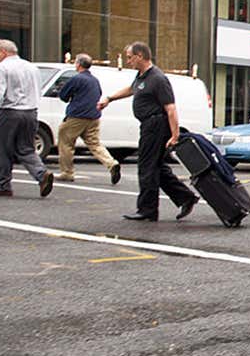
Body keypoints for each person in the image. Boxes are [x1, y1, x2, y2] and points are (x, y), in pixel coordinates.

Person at [98, 42, 198, 222]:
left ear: (140, 56)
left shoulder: (158, 78)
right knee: (156, 168)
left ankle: (147, 210)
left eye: (130, 57)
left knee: (146, 167)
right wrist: (110, 98)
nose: (128, 61)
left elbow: (171, 108)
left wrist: (175, 135)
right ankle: (185, 197)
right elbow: (131, 89)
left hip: (156, 125)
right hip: (148, 125)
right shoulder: (141, 76)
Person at [0, 39, 53, 198]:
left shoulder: (1, 68)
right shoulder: (32, 67)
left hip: (9, 113)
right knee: (26, 148)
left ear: (3, 52)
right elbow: (38, 90)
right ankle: (42, 174)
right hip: (30, 112)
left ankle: (3, 185)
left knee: (0, 149)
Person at [56, 53, 121, 184]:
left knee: (65, 142)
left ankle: (67, 172)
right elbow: (99, 94)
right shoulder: (94, 80)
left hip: (76, 116)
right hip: (94, 116)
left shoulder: (77, 79)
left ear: (78, 64)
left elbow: (63, 95)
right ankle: (111, 163)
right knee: (94, 144)